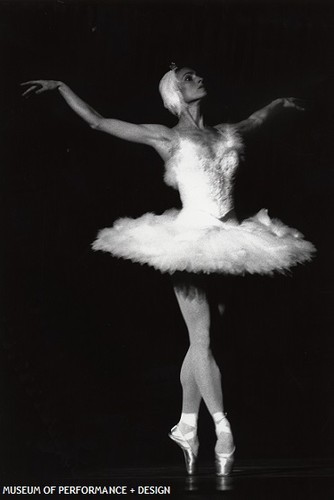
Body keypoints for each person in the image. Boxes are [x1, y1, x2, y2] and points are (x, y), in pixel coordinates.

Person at [21, 64, 315, 476]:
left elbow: (255, 120)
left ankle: (186, 424)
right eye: (189, 77)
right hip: (189, 242)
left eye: (197, 75)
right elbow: (99, 122)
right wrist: (62, 86)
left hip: (234, 241)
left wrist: (279, 103)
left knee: (209, 340)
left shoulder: (227, 130)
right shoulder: (167, 136)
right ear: (176, 91)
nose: (199, 79)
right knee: (203, 336)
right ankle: (222, 426)